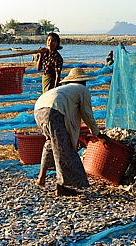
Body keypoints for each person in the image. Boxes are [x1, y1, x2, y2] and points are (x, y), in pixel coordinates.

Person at [34, 68, 109, 196]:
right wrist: (98, 134)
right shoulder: (82, 90)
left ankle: (41, 178)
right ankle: (61, 187)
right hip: (53, 111)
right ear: (83, 82)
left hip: (38, 109)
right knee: (63, 149)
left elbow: (71, 118)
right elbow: (87, 114)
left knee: (50, 142)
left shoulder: (65, 90)